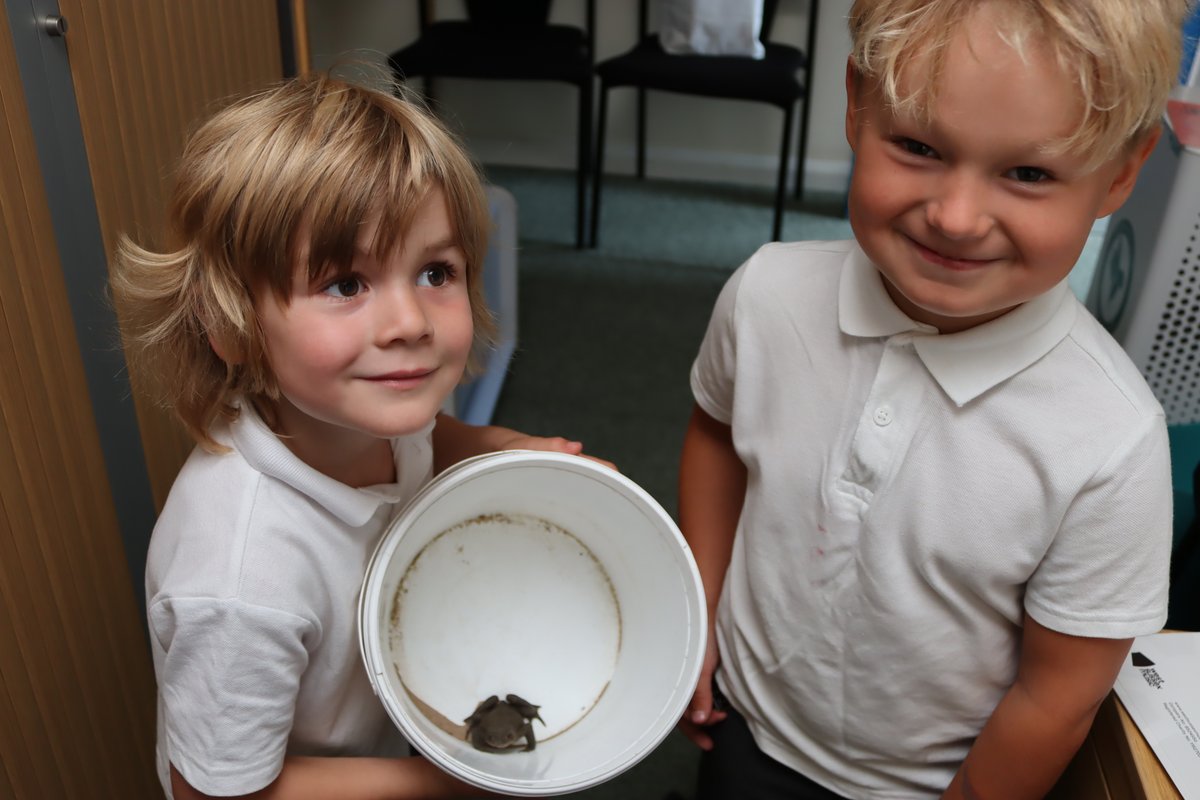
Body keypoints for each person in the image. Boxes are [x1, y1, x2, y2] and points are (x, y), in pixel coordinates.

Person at [677, 1, 1192, 798]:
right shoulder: (765, 295)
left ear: (1121, 173)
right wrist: (695, 615)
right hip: (745, 720)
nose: (956, 217)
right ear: (857, 105)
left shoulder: (1111, 441)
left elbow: (1058, 696)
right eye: (918, 146)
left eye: (1027, 173)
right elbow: (716, 433)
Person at [111, 71, 595, 800]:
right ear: (230, 327)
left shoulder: (361, 414)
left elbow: (428, 439)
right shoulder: (244, 581)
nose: (410, 323)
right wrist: (444, 784)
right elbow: (211, 791)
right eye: (345, 284)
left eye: (436, 271)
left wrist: (497, 448)